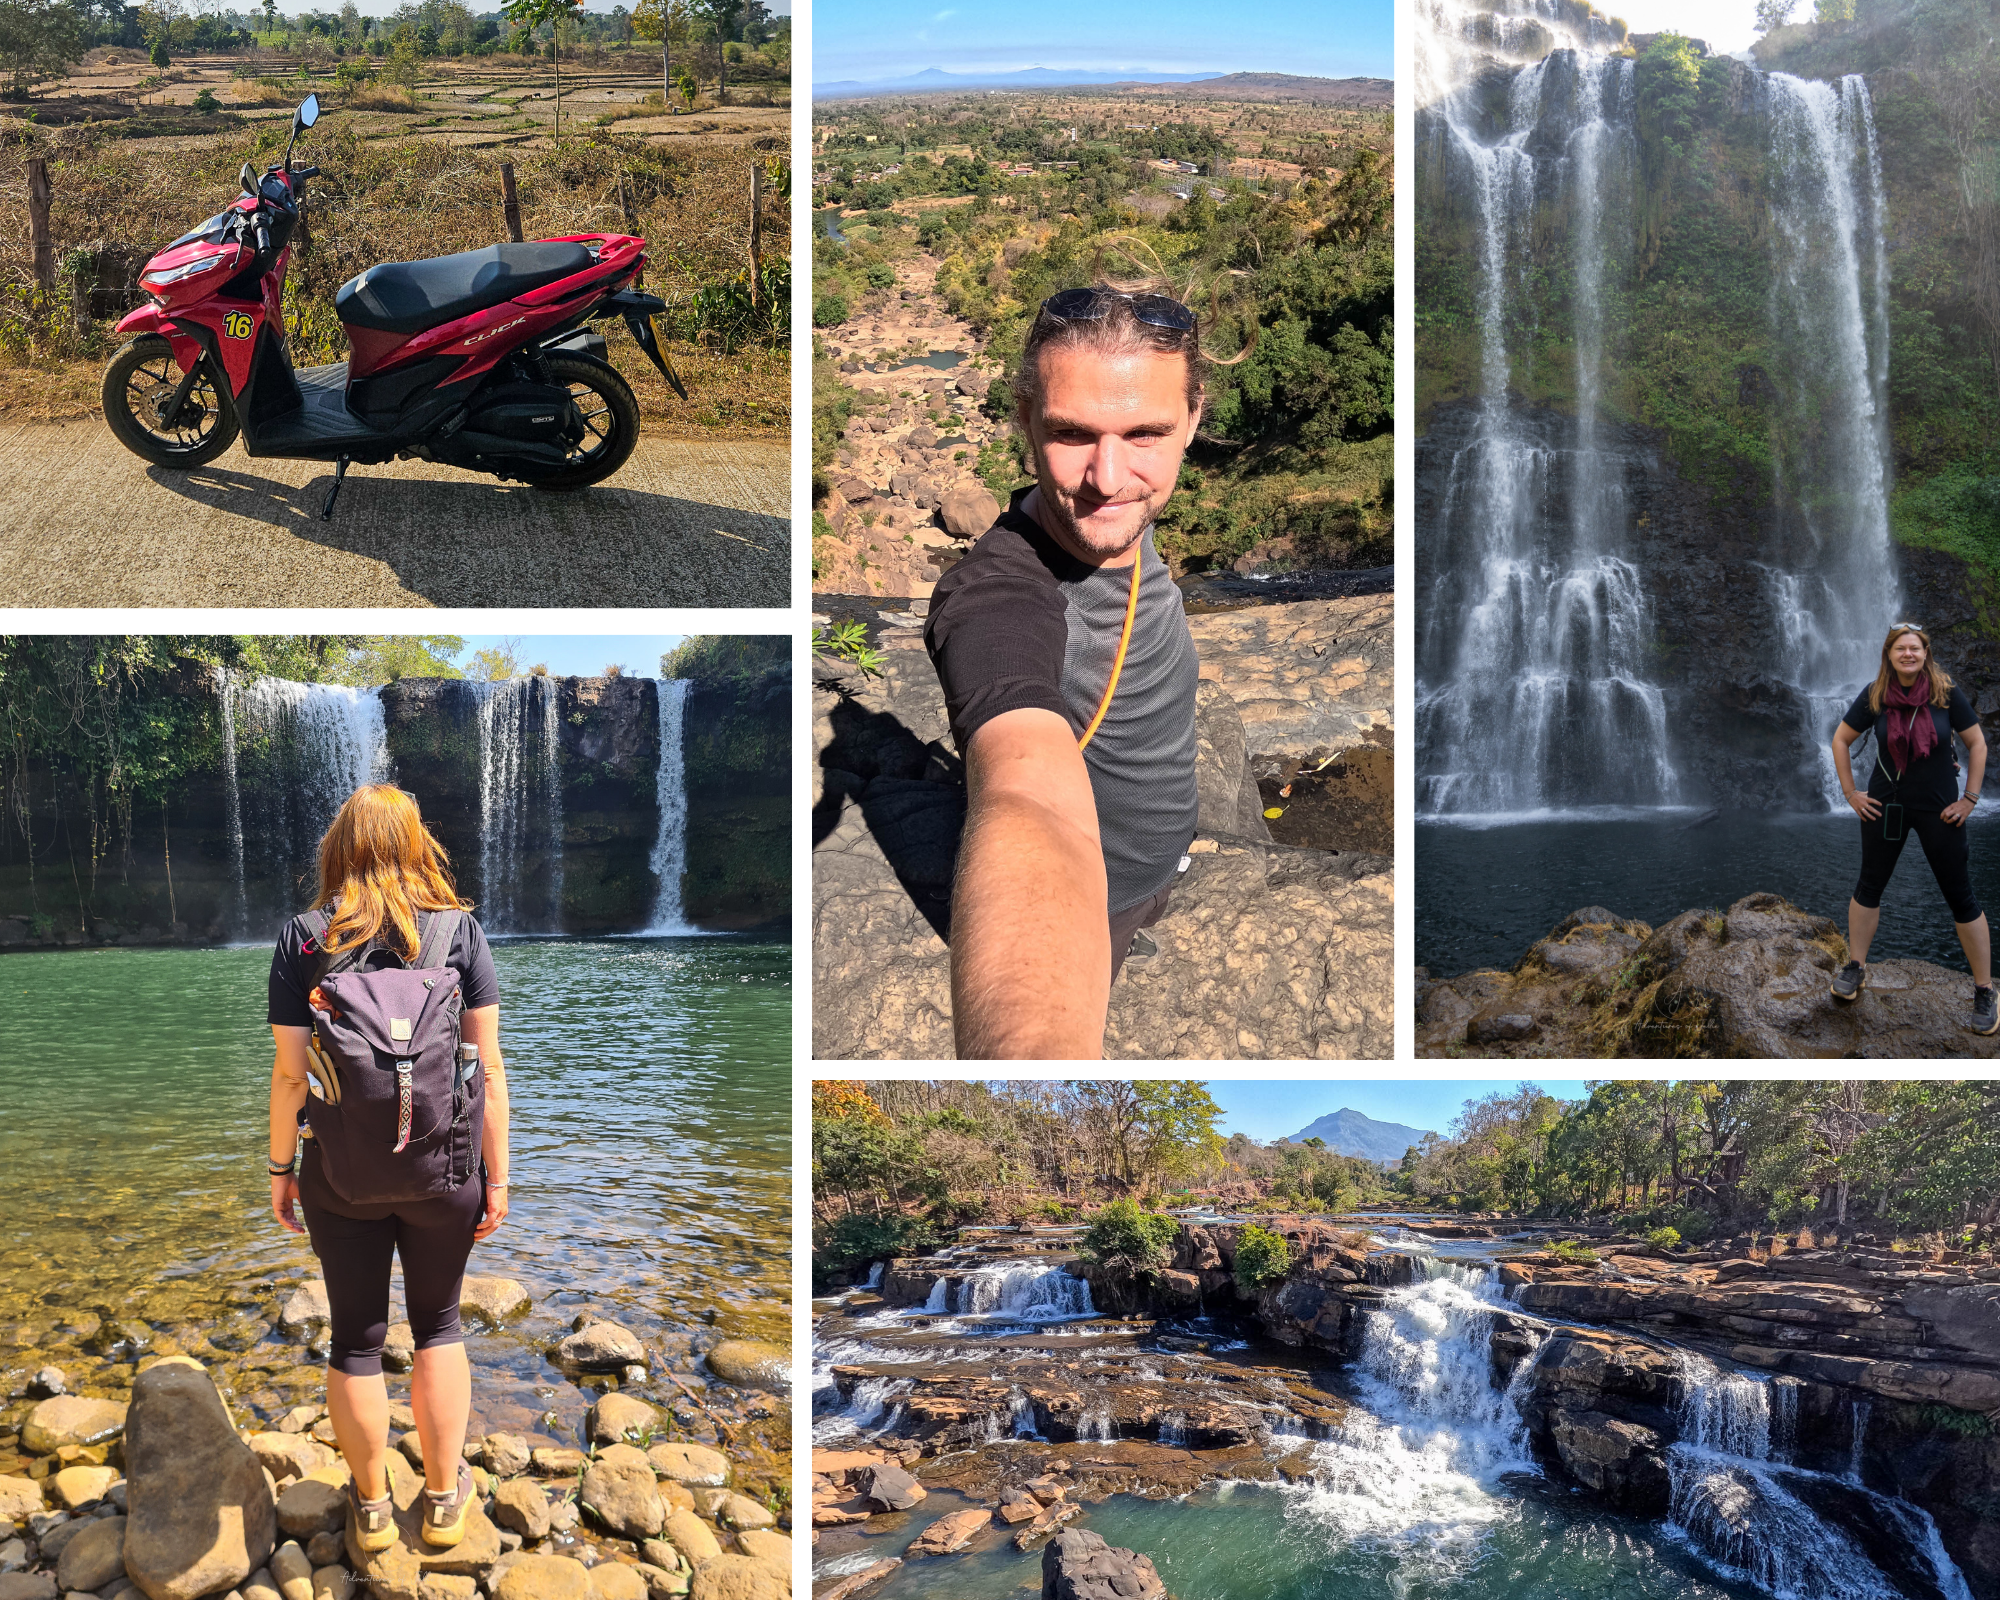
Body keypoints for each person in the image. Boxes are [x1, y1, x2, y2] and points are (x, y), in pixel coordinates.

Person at [925, 282, 1212, 1059]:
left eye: (1145, 433)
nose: (1109, 478)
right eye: (1072, 435)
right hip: (1096, 908)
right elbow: (1026, 791)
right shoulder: (996, 599)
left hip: (1163, 858)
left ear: (1193, 420)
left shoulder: (1110, 523)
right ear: (1024, 419)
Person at [266, 784, 511, 1549]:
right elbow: (490, 1069)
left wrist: (280, 1169)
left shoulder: (304, 938)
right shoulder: (456, 932)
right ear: (417, 846)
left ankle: (370, 1510)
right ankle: (443, 1502)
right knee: (438, 1328)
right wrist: (497, 1178)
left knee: (355, 1341)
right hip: (445, 1170)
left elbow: (287, 1077)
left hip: (339, 1174)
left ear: (337, 850)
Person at [1829, 623, 1994, 1032]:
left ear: (1925, 653)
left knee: (1961, 896)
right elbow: (1840, 740)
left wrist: (1970, 799)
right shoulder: (1874, 696)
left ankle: (1985, 990)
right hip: (1886, 807)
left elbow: (1977, 744)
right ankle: (1856, 967)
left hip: (1941, 810)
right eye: (1900, 648)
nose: (1908, 654)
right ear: (1889, 654)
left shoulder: (1945, 692)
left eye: (1914, 648)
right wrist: (1851, 794)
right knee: (1869, 886)